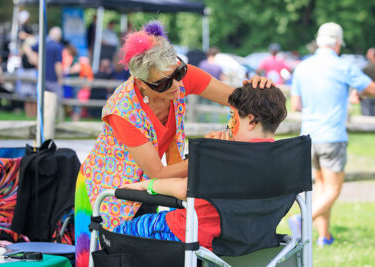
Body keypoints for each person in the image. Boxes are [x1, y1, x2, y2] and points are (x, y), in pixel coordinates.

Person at [74, 21, 273, 267]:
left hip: (148, 186)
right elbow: (156, 172)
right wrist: (209, 157)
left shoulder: (174, 76)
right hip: (106, 188)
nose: (178, 87)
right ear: (141, 83)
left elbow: (239, 101)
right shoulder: (122, 111)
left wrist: (258, 88)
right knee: (103, 258)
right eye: (164, 83)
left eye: (178, 74)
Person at [113, 83, 287, 251]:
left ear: (250, 121)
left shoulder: (228, 156)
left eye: (233, 118)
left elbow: (184, 189)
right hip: (245, 240)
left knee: (118, 233)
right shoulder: (282, 159)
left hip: (191, 233)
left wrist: (146, 185)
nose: (229, 127)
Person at [289, 22, 375, 246]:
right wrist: (357, 91)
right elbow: (373, 89)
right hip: (332, 135)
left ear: (318, 42)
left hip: (308, 135)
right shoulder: (343, 66)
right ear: (338, 43)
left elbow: (296, 104)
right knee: (334, 189)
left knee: (321, 188)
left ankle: (324, 237)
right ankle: (302, 220)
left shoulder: (303, 67)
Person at [31, 27, 64, 140]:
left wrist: (35, 62)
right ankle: (58, 123)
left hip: (42, 77)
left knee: (42, 101)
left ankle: (40, 121)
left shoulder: (42, 43)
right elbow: (58, 64)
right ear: (59, 36)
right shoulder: (58, 46)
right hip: (53, 78)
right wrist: (60, 77)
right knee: (57, 101)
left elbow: (29, 49)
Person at [361, 48, 375, 116]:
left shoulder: (370, 68)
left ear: (374, 55)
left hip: (368, 93)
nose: (367, 55)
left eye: (369, 53)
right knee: (373, 114)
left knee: (367, 115)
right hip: (373, 93)